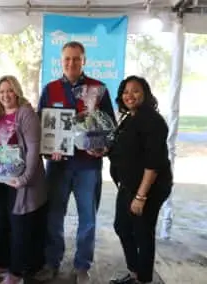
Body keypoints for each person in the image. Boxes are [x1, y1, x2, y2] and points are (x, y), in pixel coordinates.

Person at [35, 41, 116, 284]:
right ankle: (52, 262)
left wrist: (102, 147)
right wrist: (48, 151)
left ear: (84, 61)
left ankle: (82, 266)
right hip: (58, 166)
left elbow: (110, 127)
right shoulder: (50, 89)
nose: (71, 63)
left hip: (87, 166)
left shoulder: (98, 89)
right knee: (54, 216)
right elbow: (41, 126)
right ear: (61, 62)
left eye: (76, 59)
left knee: (88, 219)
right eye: (67, 59)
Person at [0, 75, 47, 284]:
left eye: (9, 90)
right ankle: (0, 264)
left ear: (16, 91)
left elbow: (34, 149)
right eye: (1, 92)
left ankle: (16, 273)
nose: (5, 95)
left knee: (20, 227)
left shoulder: (26, 114)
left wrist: (25, 178)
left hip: (22, 184)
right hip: (1, 182)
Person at [108, 76, 172, 284]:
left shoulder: (153, 121)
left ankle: (143, 279)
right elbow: (121, 151)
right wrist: (102, 150)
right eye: (126, 91)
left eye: (135, 91)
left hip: (149, 188)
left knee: (143, 232)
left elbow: (154, 163)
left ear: (145, 93)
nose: (129, 95)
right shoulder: (129, 118)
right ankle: (135, 273)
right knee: (122, 227)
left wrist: (141, 196)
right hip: (128, 185)